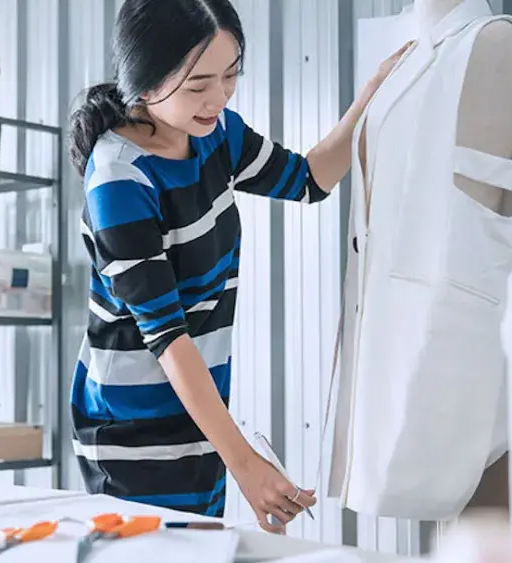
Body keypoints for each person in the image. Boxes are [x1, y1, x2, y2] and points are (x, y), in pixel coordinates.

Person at [67, 0, 410, 533]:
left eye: (230, 76)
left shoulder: (217, 136)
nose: (219, 97)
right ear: (145, 80)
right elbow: (167, 338)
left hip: (201, 415)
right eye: (198, 83)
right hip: (132, 432)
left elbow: (309, 179)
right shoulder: (118, 179)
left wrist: (370, 100)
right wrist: (245, 464)